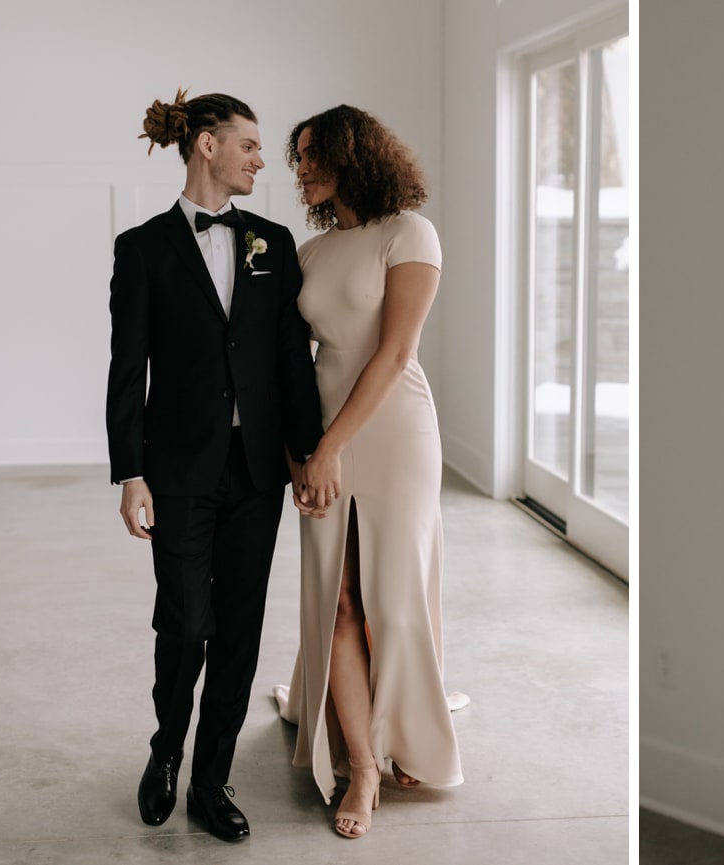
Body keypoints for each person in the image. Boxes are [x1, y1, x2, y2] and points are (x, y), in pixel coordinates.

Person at [108, 89, 324, 842]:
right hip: (177, 468)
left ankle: (211, 777)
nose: (262, 161)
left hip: (258, 469)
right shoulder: (142, 249)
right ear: (207, 145)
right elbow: (125, 367)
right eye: (250, 146)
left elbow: (292, 363)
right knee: (186, 620)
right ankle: (167, 748)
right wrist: (129, 472)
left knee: (238, 625)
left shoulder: (274, 242)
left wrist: (306, 453)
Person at [276, 104, 461, 839]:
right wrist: (304, 453)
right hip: (323, 436)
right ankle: (362, 764)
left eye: (314, 155)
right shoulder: (311, 254)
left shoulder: (410, 233)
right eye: (297, 158)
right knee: (340, 600)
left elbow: (393, 355)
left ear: (356, 155)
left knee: (395, 598)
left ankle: (413, 731)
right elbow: (290, 366)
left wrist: (331, 448)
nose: (301, 170)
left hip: (394, 432)